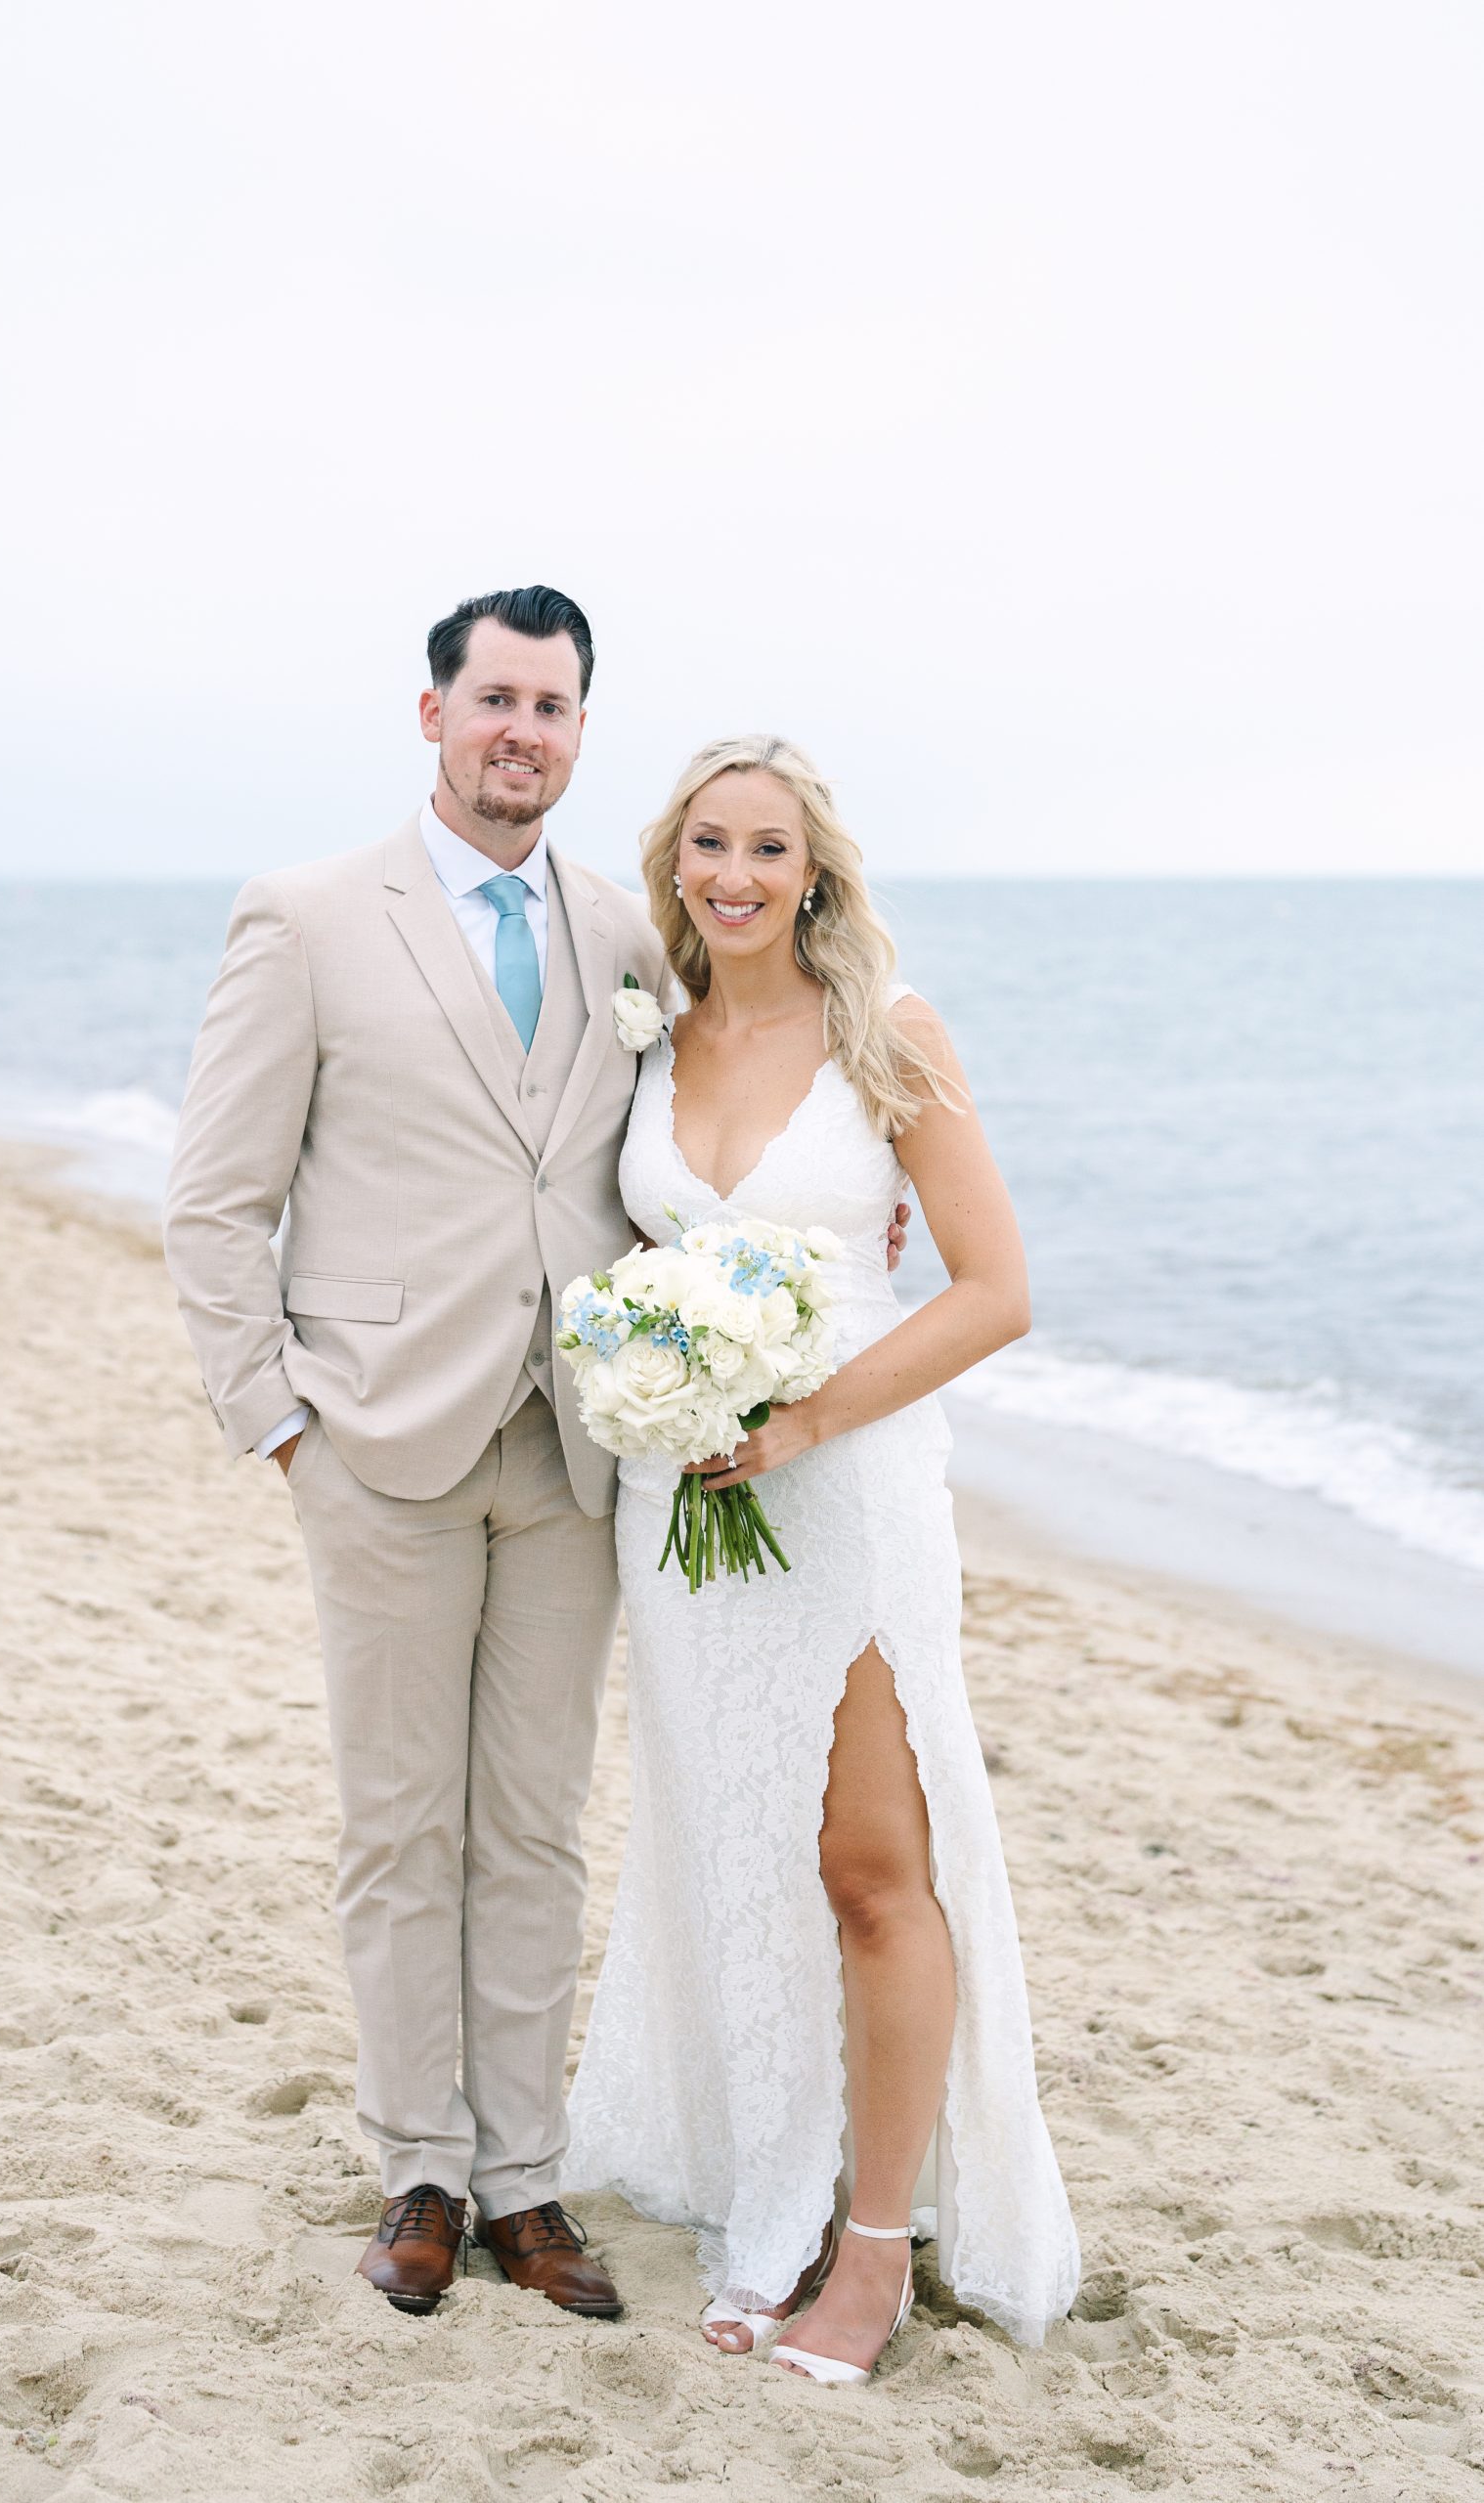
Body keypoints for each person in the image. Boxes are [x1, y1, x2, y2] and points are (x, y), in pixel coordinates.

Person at [162, 591, 911, 2321]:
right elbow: (216, 1199)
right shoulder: (307, 918)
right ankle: (419, 2168)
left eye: (555, 707)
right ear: (432, 715)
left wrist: (797, 1279)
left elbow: (685, 1135)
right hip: (381, 1438)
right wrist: (273, 1416)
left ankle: (525, 2184)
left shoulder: (622, 931)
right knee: (399, 1820)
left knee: (537, 1828)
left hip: (580, 1453)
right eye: (495, 698)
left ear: (582, 732)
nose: (524, 731)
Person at [563, 734, 1079, 2382]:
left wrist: (799, 1423)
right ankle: (770, 2193)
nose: (734, 874)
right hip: (687, 1507)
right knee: (735, 1854)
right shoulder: (646, 1036)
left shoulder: (889, 1036)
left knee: (871, 1870)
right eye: (707, 843)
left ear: (816, 875)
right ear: (675, 868)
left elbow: (992, 1290)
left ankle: (872, 2253)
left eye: (768, 849)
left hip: (845, 1490)